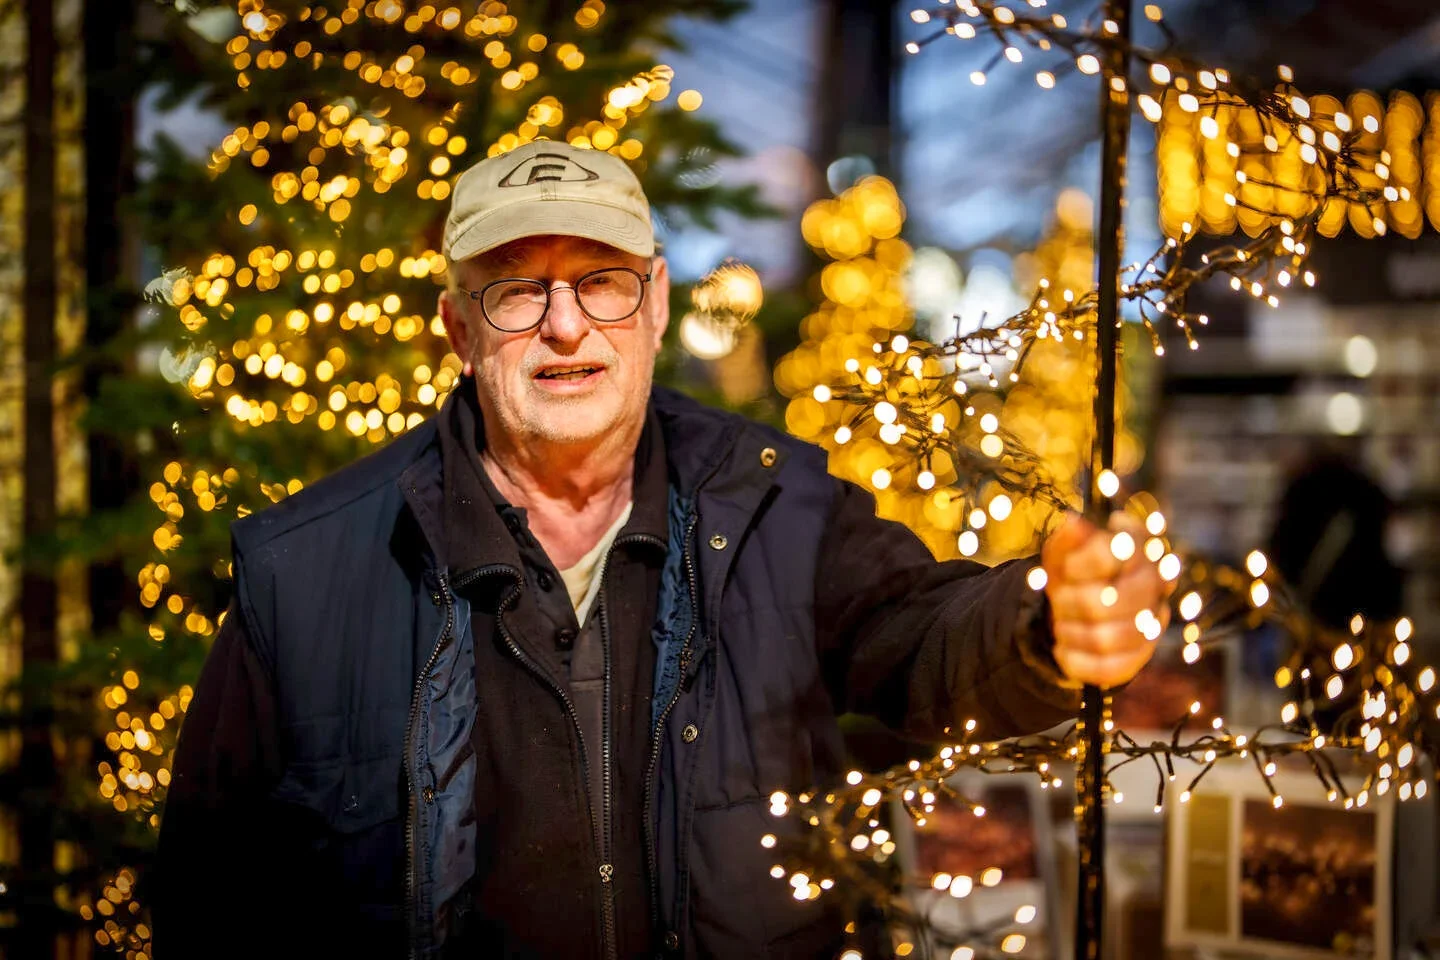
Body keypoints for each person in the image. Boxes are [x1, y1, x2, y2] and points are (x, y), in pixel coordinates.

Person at [152, 140, 1166, 959]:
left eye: (602, 282)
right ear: (458, 328)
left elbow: (926, 636)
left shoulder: (778, 507)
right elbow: (211, 903)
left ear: (657, 301)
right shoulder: (308, 571)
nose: (565, 326)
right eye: (515, 290)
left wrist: (1045, 627)